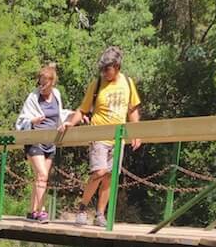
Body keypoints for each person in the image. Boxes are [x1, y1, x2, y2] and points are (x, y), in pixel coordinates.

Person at [58, 46, 141, 227]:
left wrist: (136, 133)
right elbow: (83, 109)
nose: (104, 73)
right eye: (102, 69)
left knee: (110, 177)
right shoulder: (96, 84)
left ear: (117, 67)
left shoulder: (127, 83)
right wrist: (70, 123)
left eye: (107, 69)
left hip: (118, 138)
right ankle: (82, 208)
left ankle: (100, 214)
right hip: (99, 134)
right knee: (99, 172)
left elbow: (132, 109)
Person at [16, 63, 73, 223]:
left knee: (41, 177)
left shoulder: (56, 94)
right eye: (40, 82)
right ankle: (41, 211)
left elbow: (59, 114)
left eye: (45, 82)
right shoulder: (33, 97)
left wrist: (73, 116)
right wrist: (32, 120)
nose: (42, 85)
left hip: (50, 141)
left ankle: (32, 211)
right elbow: (21, 120)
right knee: (42, 175)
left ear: (52, 82)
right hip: (34, 140)